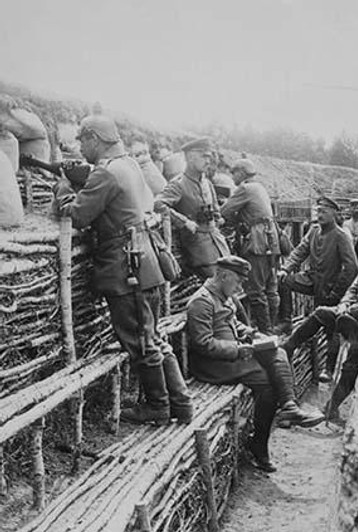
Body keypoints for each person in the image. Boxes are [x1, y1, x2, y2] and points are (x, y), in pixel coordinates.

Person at [54, 114, 192, 426]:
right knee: (152, 336)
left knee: (139, 340)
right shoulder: (128, 164)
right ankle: (181, 404)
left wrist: (63, 189)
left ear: (93, 138)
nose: (80, 146)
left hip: (127, 265)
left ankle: (158, 406)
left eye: (82, 139)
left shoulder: (108, 173)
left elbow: (77, 215)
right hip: (145, 259)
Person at [186, 256, 324, 473]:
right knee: (268, 383)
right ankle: (264, 439)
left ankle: (288, 408)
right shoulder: (201, 302)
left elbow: (233, 324)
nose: (240, 287)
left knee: (274, 352)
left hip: (232, 356)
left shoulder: (222, 295)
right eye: (238, 281)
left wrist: (252, 334)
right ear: (223, 276)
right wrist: (237, 350)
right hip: (213, 365)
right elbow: (202, 344)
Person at [281, 225, 358, 423]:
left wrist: (351, 310)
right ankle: (289, 345)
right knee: (321, 313)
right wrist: (344, 304)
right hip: (347, 312)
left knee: (350, 367)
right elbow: (353, 287)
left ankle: (332, 407)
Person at [276, 196, 358, 381]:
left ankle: (328, 369)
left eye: (324, 212)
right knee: (284, 281)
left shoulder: (341, 236)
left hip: (331, 287)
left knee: (332, 329)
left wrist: (337, 292)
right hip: (313, 280)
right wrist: (285, 269)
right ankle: (286, 320)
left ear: (334, 214)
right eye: (318, 211)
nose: (319, 215)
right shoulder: (314, 231)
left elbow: (352, 268)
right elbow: (299, 251)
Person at [154, 137, 230, 279]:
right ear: (190, 157)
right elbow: (158, 204)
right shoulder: (178, 184)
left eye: (209, 157)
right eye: (203, 156)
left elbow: (215, 211)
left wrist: (218, 218)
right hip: (199, 250)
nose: (208, 161)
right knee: (219, 285)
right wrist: (184, 222)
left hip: (218, 243)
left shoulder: (207, 183)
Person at [219, 158, 280, 333]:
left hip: (258, 240)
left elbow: (225, 211)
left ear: (242, 173)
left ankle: (265, 332)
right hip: (270, 239)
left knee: (256, 290)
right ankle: (273, 328)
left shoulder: (244, 188)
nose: (232, 176)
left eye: (234, 172)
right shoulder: (259, 187)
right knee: (270, 287)